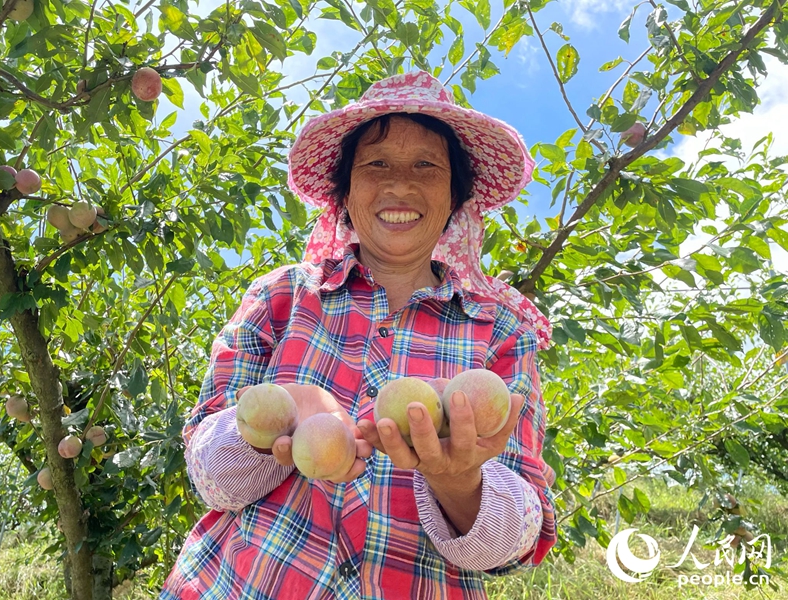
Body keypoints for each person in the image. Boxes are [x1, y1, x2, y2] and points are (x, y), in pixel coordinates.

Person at [160, 71, 556, 600]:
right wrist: (275, 415)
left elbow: (517, 543)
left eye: (427, 165)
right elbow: (210, 480)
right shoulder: (283, 296)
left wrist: (460, 481)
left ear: (455, 198)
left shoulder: (502, 334)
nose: (400, 184)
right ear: (345, 193)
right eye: (376, 164)